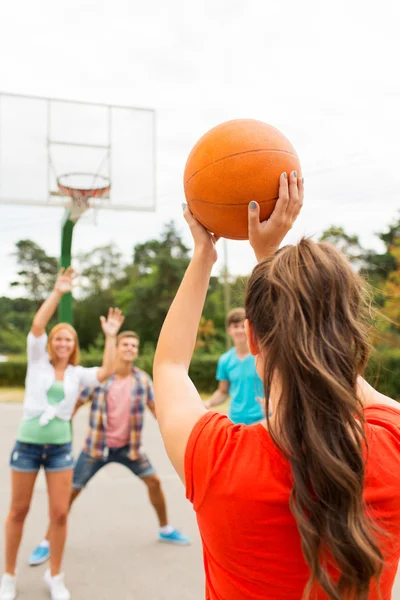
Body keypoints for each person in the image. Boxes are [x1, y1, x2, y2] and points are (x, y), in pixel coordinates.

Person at [153, 171, 400, 599]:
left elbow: (171, 365)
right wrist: (271, 257)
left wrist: (204, 255)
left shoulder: (218, 460)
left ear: (251, 339)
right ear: (348, 333)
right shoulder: (392, 445)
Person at [0, 267, 124, 600]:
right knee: (18, 511)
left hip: (59, 450)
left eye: (68, 339)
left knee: (59, 513)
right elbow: (38, 325)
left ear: (74, 345)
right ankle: (8, 577)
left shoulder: (77, 374)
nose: (63, 343)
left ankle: (55, 576)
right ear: (51, 344)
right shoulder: (37, 361)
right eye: (59, 338)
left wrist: (111, 335)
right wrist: (58, 292)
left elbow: (107, 371)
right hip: (26, 446)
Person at [29, 329, 190, 568]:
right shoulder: (100, 379)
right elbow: (74, 405)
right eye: (125, 344)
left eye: (134, 346)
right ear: (117, 348)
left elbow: (158, 411)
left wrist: (180, 430)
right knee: (70, 492)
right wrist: (57, 434)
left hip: (129, 448)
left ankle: (165, 529)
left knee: (154, 482)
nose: (129, 349)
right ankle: (47, 540)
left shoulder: (142, 380)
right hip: (96, 448)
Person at [204, 307, 265, 424]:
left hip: (262, 420)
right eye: (235, 327)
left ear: (249, 329)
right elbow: (222, 392)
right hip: (236, 421)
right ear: (229, 330)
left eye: (243, 326)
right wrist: (209, 403)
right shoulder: (225, 360)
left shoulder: (261, 356)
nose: (240, 330)